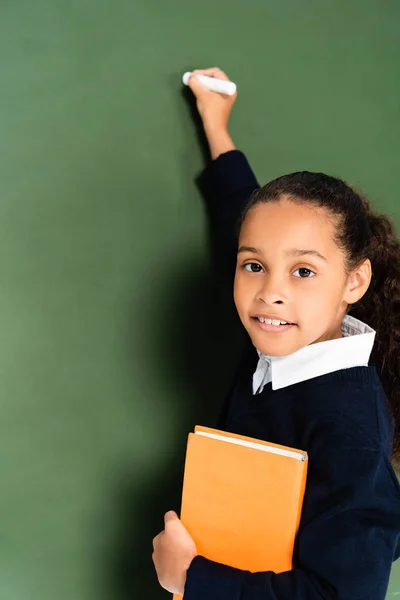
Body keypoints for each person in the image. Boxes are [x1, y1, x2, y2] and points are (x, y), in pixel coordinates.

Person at [152, 68, 400, 599]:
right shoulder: (283, 330)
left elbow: (342, 594)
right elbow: (240, 216)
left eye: (304, 271)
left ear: (354, 280)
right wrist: (216, 123)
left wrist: (190, 578)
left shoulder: (348, 426)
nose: (271, 292)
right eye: (252, 267)